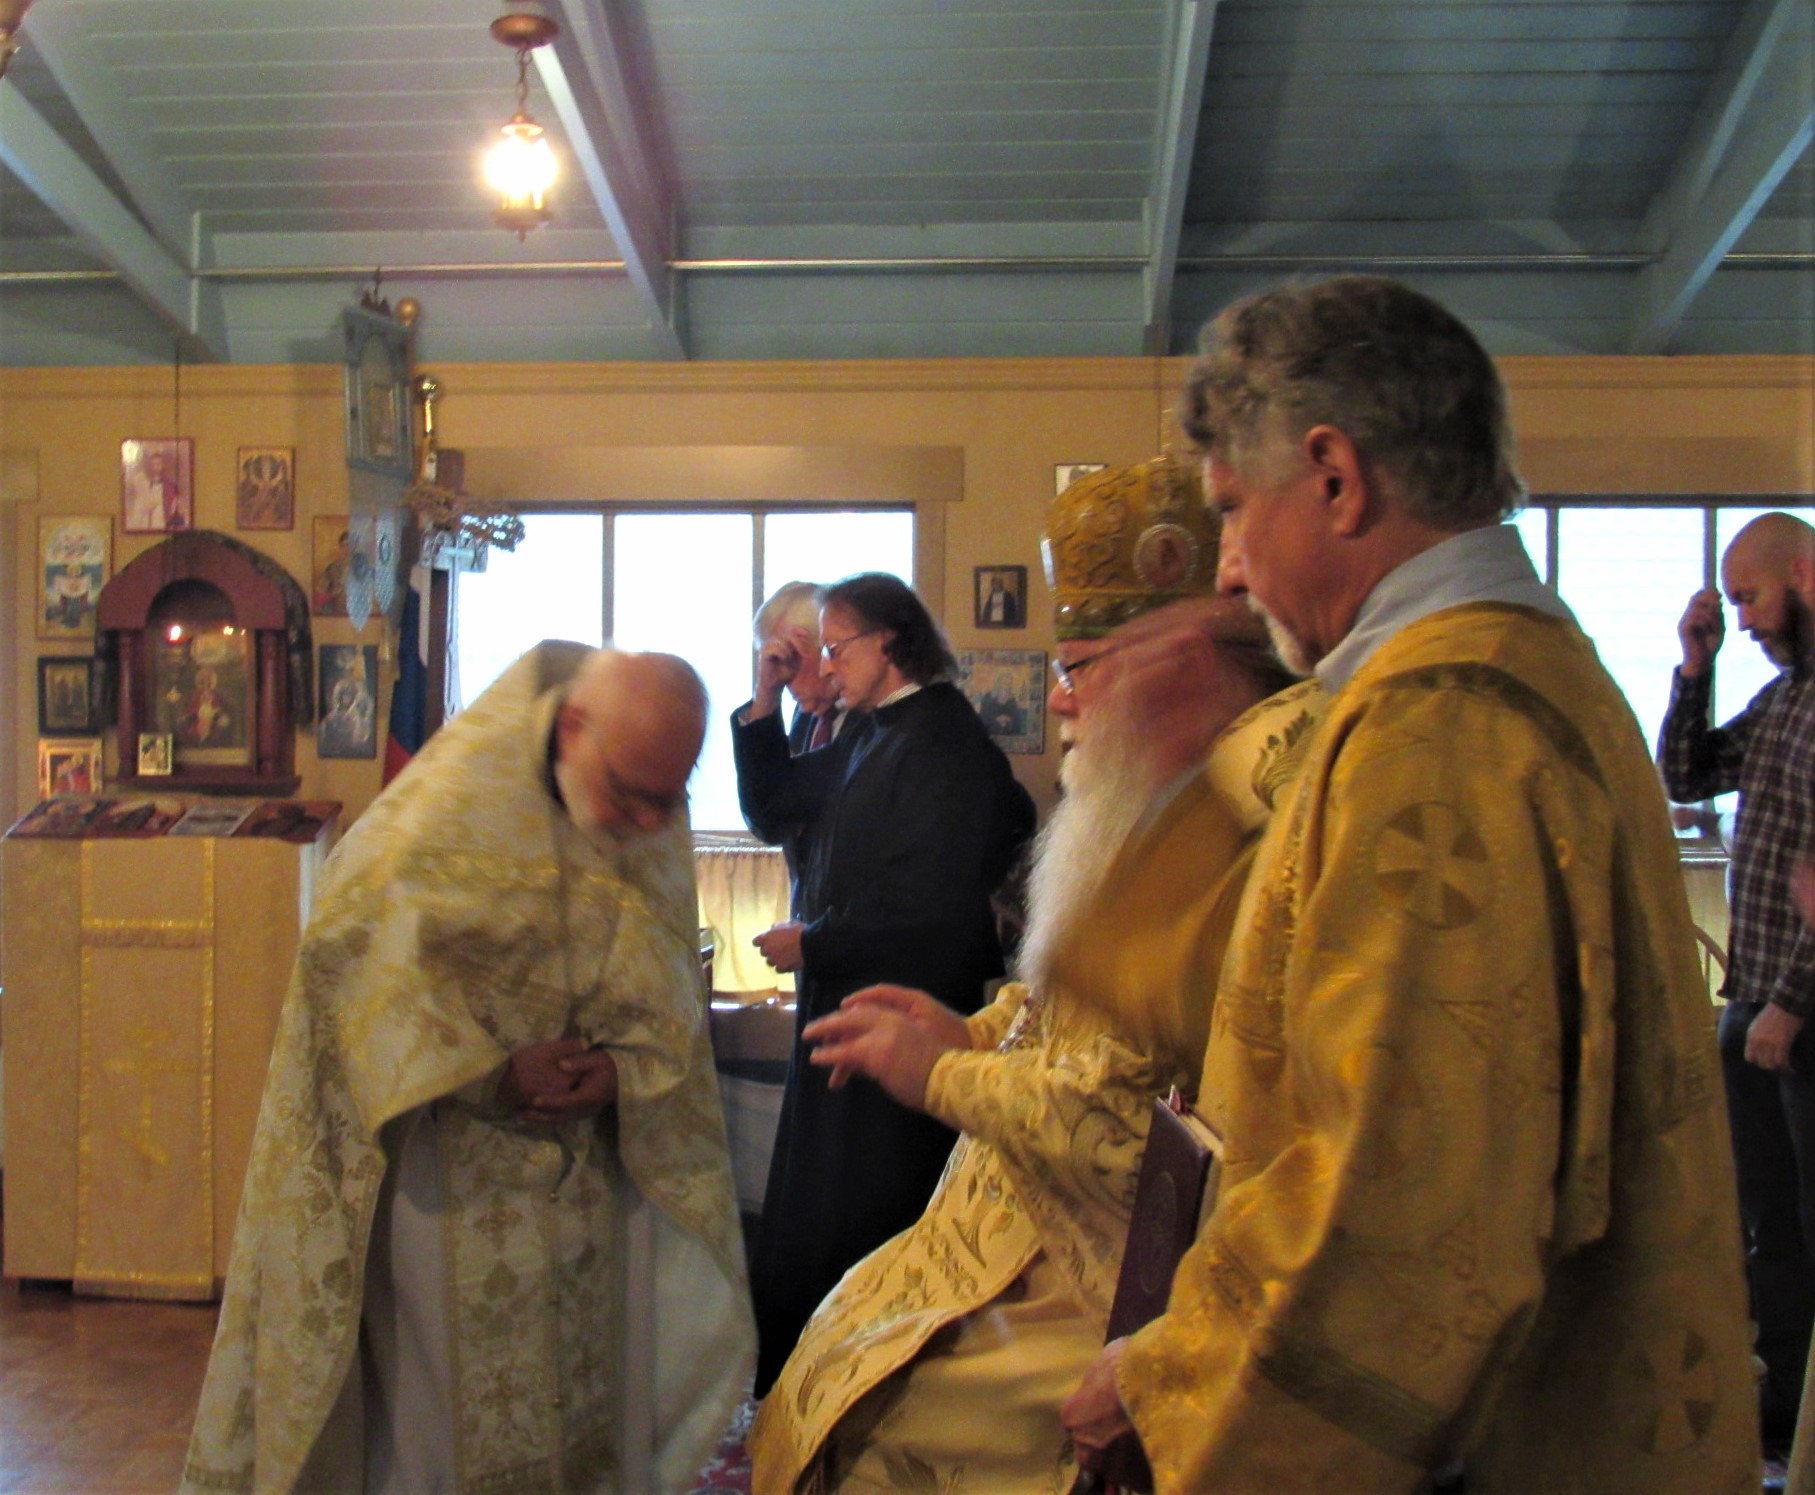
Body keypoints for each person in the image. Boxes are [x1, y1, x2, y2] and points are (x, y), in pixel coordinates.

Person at [1060, 276, 1758, 1493]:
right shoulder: (1511, 668)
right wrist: (1185, 787)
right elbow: (1285, 998)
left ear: (1335, 477)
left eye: (1233, 511)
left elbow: (1399, 1203)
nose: (1229, 571)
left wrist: (1165, 1377)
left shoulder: (1440, 724)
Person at [748, 456, 1320, 1493]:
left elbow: (1139, 1108)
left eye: (1085, 665)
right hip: (1021, 1185)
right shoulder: (1158, 795)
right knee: (841, 1344)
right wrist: (977, 1029)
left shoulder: (1253, 815)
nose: (1058, 699)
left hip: (1113, 1264)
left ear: (1190, 662)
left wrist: (942, 1068)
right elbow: (1077, 1001)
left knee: (882, 1419)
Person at [180, 643, 754, 1495]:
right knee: (445, 1436)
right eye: (630, 793)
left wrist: (622, 1072)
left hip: (593, 1196)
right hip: (452, 1189)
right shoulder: (426, 825)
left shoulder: (646, 812)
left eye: (666, 800)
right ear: (572, 727)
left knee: (592, 1420)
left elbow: (665, 993)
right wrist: (491, 1074)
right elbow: (350, 990)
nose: (645, 824)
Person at [740, 572, 1036, 1393]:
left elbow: (929, 899)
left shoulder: (944, 740)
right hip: (847, 997)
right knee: (818, 1207)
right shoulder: (872, 731)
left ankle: (859, 1390)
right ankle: (804, 1380)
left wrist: (816, 939)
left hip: (904, 1018)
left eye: (838, 648)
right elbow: (775, 805)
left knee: (867, 1212)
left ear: (890, 640)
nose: (827, 667)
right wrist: (764, 696)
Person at [1659, 511, 1815, 1455]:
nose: (1743, 618)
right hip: (1754, 1006)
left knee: (1805, 1226)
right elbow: (1686, 773)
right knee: (1767, 1230)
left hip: (1797, 1015)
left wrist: (1791, 1001)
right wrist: (1695, 666)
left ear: (1803, 573)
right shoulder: (1786, 698)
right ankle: (1782, 1416)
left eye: (1749, 598)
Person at [732, 581, 843, 904]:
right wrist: (766, 694)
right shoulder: (806, 716)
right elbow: (768, 820)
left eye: (792, 661)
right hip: (808, 913)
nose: (786, 679)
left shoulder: (876, 718)